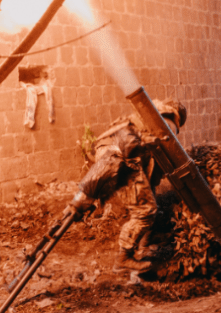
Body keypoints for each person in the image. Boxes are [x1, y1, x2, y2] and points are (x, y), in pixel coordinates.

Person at [69, 98, 187, 274]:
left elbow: (149, 180)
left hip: (109, 151)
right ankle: (123, 259)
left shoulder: (149, 114)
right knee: (146, 211)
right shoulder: (168, 120)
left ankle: (69, 215)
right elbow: (155, 153)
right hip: (122, 156)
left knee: (87, 198)